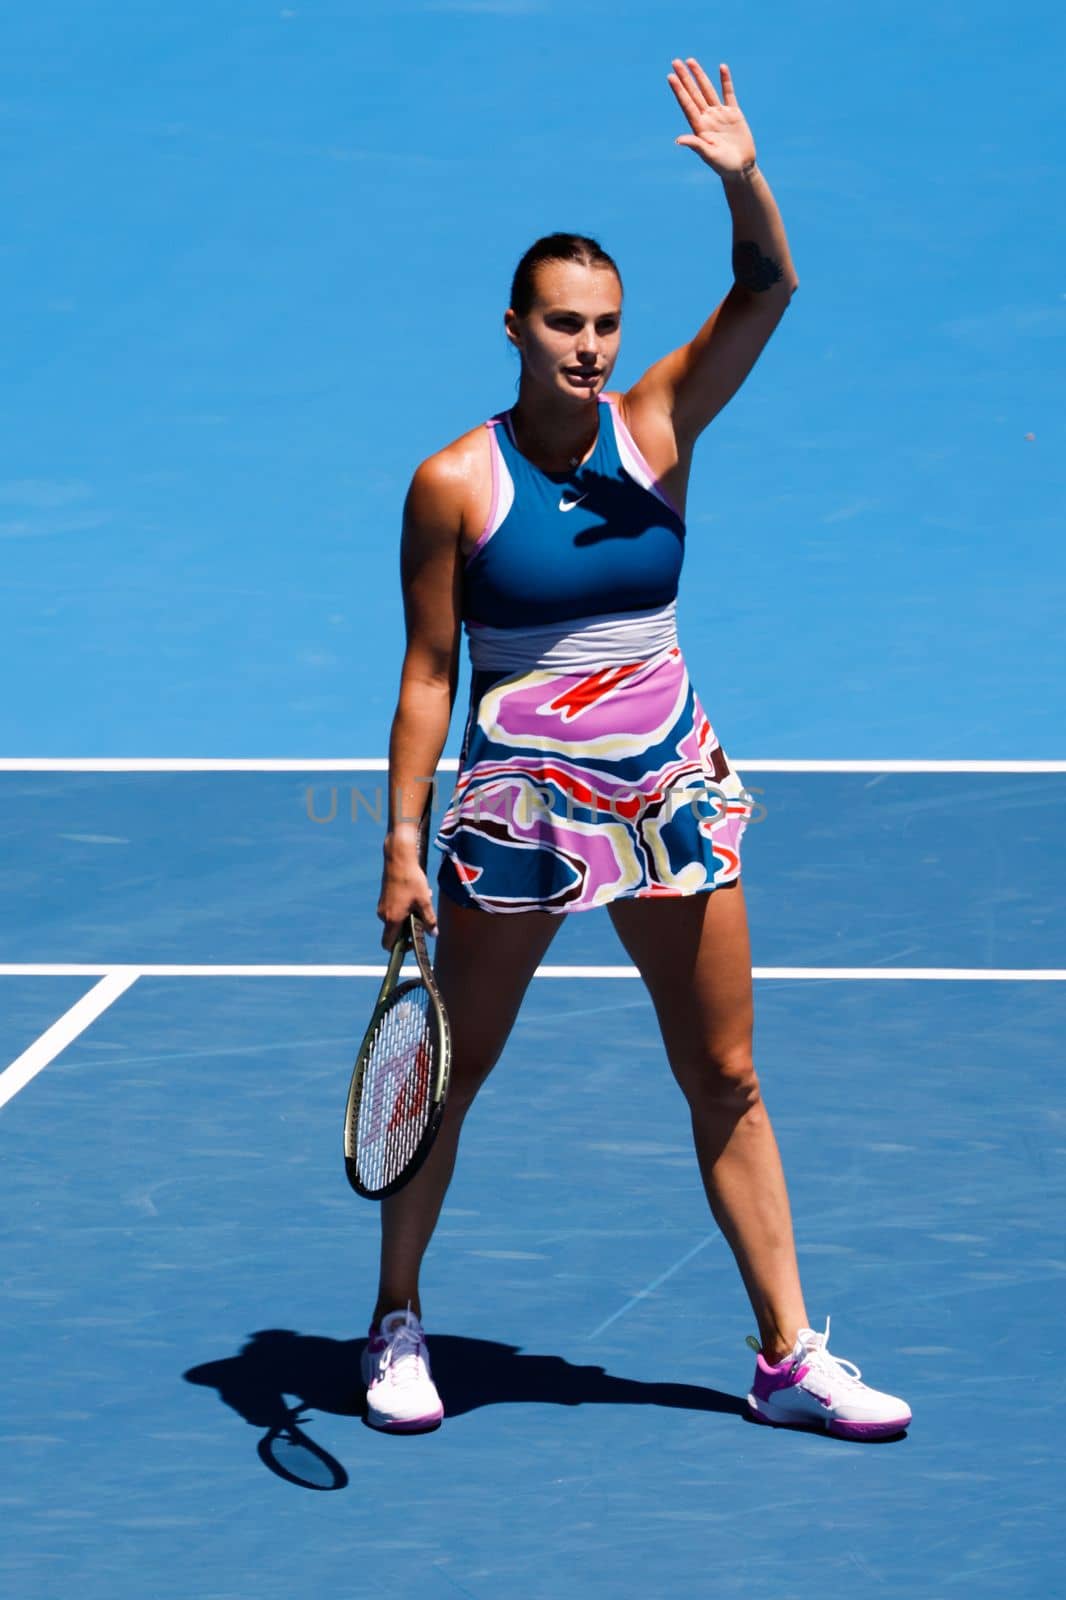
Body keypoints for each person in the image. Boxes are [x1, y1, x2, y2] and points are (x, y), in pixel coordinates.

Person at [363, 57, 911, 1441]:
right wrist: (398, 841)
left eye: (605, 324)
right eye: (562, 324)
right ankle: (396, 1323)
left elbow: (766, 288)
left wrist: (740, 175)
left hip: (666, 789)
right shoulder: (452, 483)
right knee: (453, 1069)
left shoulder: (658, 429)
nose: (589, 347)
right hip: (517, 807)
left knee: (723, 1074)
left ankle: (786, 1356)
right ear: (513, 326)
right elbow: (430, 674)